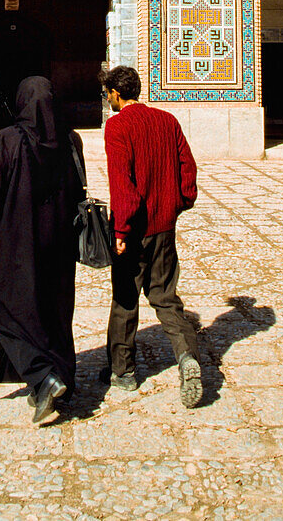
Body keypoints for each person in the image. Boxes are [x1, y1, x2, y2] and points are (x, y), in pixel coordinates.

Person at [0, 76, 83, 424]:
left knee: (6, 307)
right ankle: (63, 378)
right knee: (55, 308)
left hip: (18, 240)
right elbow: (79, 191)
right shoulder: (72, 140)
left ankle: (43, 377)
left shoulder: (7, 141)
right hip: (60, 242)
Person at [99, 65, 202, 408]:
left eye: (108, 94)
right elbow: (188, 167)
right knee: (165, 295)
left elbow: (122, 183)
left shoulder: (117, 126)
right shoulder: (167, 121)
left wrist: (121, 229)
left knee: (125, 298)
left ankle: (123, 372)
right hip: (164, 226)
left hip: (135, 230)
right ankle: (187, 356)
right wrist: (179, 203)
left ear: (115, 93)